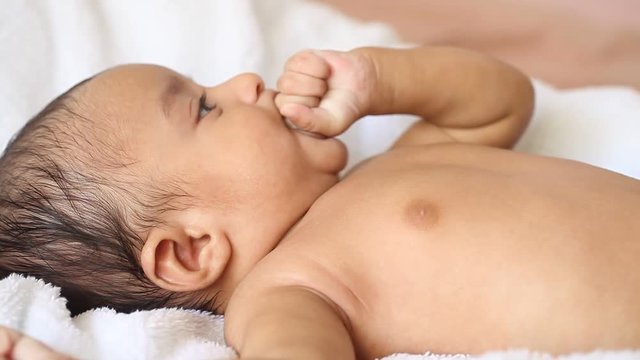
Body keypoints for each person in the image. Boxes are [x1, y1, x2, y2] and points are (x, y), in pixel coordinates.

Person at [0, 45, 639, 359]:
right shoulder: (289, 293)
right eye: (205, 106)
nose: (245, 81)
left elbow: (500, 102)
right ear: (193, 250)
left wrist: (380, 78)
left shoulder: (388, 166)